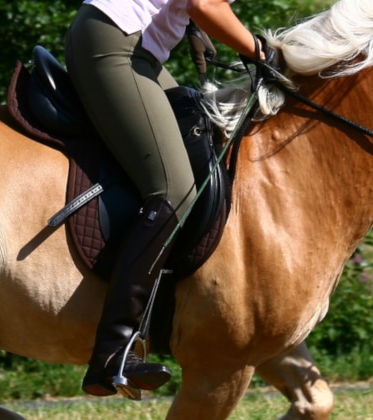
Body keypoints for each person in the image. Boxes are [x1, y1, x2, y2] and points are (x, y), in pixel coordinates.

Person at [64, 0, 266, 398]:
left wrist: (185, 25)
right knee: (174, 189)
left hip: (143, 50)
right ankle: (113, 351)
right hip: (117, 42)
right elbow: (205, 3)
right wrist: (262, 54)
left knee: (206, 149)